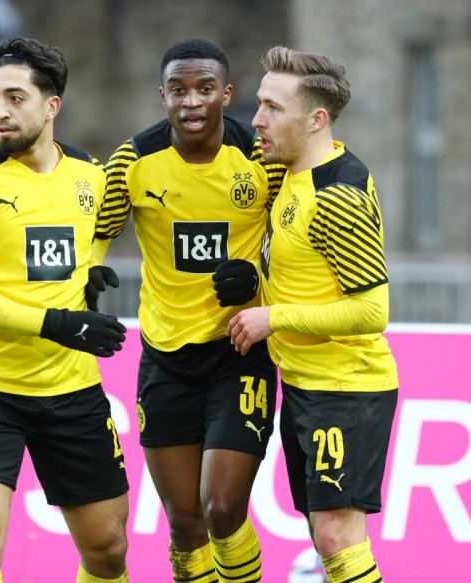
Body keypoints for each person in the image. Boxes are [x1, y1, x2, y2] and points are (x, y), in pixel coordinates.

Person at [0, 37, 130, 583]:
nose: (0, 111)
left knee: (109, 549)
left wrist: (90, 271)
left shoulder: (92, 174)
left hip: (72, 390)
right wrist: (56, 323)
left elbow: (95, 238)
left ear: (52, 105)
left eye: (15, 98)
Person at [90, 38, 284, 583]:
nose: (191, 101)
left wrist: (259, 278)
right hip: (166, 358)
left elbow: (294, 243)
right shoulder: (133, 161)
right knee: (185, 523)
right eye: (178, 90)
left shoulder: (262, 158)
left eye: (204, 88)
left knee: (221, 509)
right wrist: (89, 272)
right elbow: (96, 235)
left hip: (238, 351)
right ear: (163, 97)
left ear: (227, 93)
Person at [228, 46, 399, 583]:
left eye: (273, 108)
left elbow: (372, 310)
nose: (257, 119)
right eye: (260, 103)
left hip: (346, 386)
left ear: (316, 119)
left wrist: (274, 317)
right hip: (305, 382)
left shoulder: (336, 195)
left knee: (337, 537)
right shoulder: (292, 170)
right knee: (324, 539)